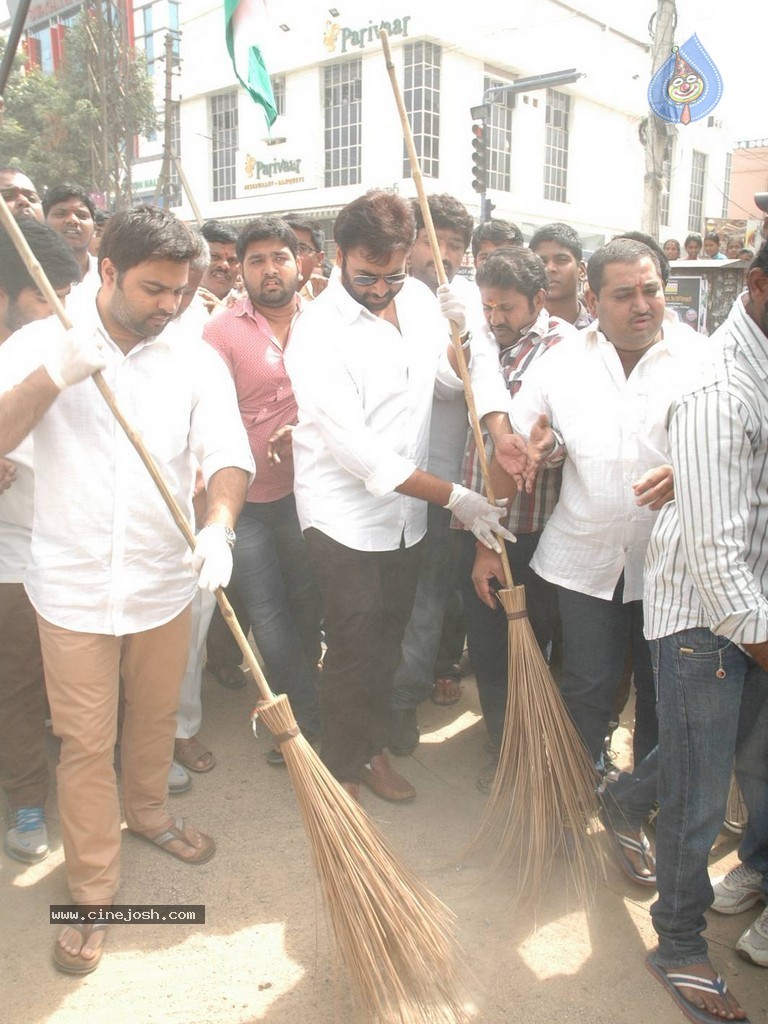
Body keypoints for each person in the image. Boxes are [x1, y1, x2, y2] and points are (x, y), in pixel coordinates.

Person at [0, 205, 253, 974]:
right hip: (70, 585)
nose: (168, 308)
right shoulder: (41, 345)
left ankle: (149, 813)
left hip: (164, 579)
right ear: (106, 271)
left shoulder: (191, 355)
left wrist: (219, 526)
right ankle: (93, 889)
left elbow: (229, 452)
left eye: (180, 292)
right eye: (153, 290)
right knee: (84, 741)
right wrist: (57, 375)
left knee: (153, 717)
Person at [285, 190, 513, 803]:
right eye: (368, 276)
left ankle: (371, 748)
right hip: (342, 516)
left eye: (393, 274)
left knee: (388, 637)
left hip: (406, 516)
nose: (382, 289)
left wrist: (460, 337)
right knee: (354, 640)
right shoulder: (315, 332)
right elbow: (361, 456)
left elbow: (442, 381)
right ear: (339, 255)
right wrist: (457, 496)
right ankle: (341, 766)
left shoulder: (417, 300)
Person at [499, 238, 709, 886]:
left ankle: (631, 812)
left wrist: (691, 471)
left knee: (661, 698)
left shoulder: (703, 360)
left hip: (674, 566)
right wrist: (542, 446)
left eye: (652, 290)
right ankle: (563, 805)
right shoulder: (561, 364)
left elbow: (741, 443)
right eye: (624, 294)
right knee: (586, 689)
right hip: (584, 556)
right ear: (593, 299)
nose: (643, 305)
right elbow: (522, 431)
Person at [643, 242, 768, 1022]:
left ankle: (623, 800)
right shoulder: (719, 388)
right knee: (694, 799)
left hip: (750, 613)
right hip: (707, 623)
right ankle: (679, 943)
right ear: (757, 286)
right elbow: (717, 563)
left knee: (718, 761)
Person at [204, 217, 322, 764]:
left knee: (307, 605)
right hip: (245, 501)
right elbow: (207, 417)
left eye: (280, 257)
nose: (269, 269)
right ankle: (300, 724)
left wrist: (309, 429)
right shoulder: (222, 332)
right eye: (256, 260)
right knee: (268, 615)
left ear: (302, 263)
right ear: (242, 270)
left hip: (311, 495)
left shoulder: (327, 324)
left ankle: (305, 705)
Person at [462, 247, 578, 789]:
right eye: (487, 307)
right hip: (475, 521)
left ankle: (537, 747)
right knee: (489, 645)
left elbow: (513, 443)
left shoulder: (562, 350)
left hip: (526, 529)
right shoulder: (483, 339)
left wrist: (492, 539)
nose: (496, 319)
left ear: (539, 299)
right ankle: (502, 746)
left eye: (506, 308)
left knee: (532, 641)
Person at [0, 221, 80, 864]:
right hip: (10, 547)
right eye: (41, 297)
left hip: (73, 536)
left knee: (81, 675)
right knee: (18, 677)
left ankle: (111, 783)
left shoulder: (76, 341)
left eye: (67, 292)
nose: (58, 310)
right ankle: (27, 794)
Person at [388, 193, 477, 753]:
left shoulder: (463, 300)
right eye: (431, 240)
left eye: (453, 245)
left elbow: (457, 384)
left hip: (442, 485)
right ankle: (380, 692)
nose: (440, 254)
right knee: (380, 604)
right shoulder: (381, 293)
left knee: (427, 601)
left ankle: (402, 701)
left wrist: (461, 333)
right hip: (381, 482)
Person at [529, 222, 592, 328]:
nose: (550, 268)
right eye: (541, 261)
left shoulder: (599, 333)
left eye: (562, 260)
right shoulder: (515, 332)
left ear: (581, 270)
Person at [43, 183, 97, 283]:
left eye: (81, 215)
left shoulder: (110, 276)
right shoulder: (30, 276)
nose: (72, 220)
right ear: (43, 223)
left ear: (94, 227)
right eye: (61, 214)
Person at [198, 220, 240, 312]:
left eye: (232, 260)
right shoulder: (178, 305)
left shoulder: (248, 308)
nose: (224, 265)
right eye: (214, 256)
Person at [284, 214, 328, 301]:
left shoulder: (329, 302)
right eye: (284, 248)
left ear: (319, 259)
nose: (290, 256)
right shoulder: (252, 304)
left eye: (301, 248)